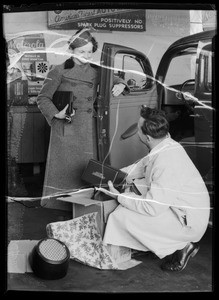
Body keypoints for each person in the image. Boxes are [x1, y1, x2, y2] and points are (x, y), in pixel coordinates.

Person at [98, 106, 210, 272]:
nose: (136, 131)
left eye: (138, 129)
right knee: (136, 188)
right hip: (181, 211)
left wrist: (119, 196)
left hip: (188, 224)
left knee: (122, 215)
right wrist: (110, 175)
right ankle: (159, 245)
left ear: (147, 137)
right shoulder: (165, 145)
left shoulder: (166, 161)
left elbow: (151, 207)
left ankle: (182, 246)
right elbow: (139, 167)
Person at [37, 28, 129, 210]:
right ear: (71, 51)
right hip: (66, 127)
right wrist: (56, 113)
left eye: (89, 52)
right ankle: (60, 207)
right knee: (66, 171)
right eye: (81, 52)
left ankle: (83, 207)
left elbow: (119, 78)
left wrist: (119, 84)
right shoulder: (59, 70)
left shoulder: (98, 71)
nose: (86, 55)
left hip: (89, 128)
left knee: (86, 169)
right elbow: (42, 98)